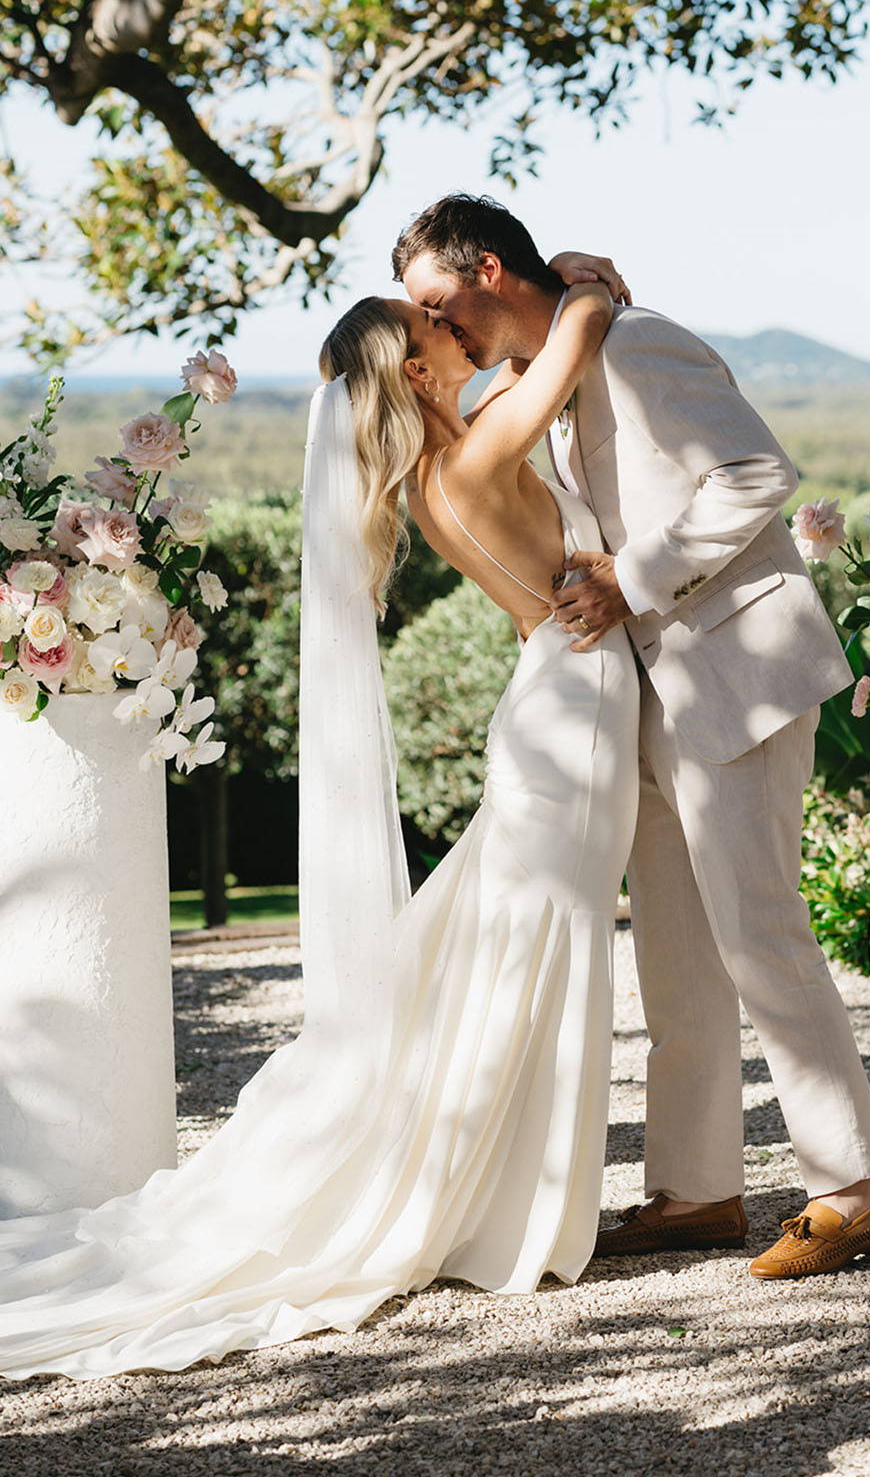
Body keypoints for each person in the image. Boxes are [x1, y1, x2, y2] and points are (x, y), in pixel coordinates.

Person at [0, 276, 642, 1380]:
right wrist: (577, 282)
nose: (457, 329)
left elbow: (512, 376)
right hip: (572, 711)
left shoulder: (446, 469)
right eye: (437, 328)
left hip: (558, 700)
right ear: (416, 371)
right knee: (533, 945)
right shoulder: (481, 454)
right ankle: (504, 1209)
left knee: (512, 949)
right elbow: (577, 330)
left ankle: (505, 1197)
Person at [394, 195, 870, 1279]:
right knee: (673, 961)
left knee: (758, 932)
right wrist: (574, 287)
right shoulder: (551, 372)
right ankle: (695, 1190)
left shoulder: (641, 342)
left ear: (486, 268)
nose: (442, 331)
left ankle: (847, 1187)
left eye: (440, 302)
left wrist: (630, 576)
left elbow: (754, 476)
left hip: (734, 673)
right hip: (645, 700)